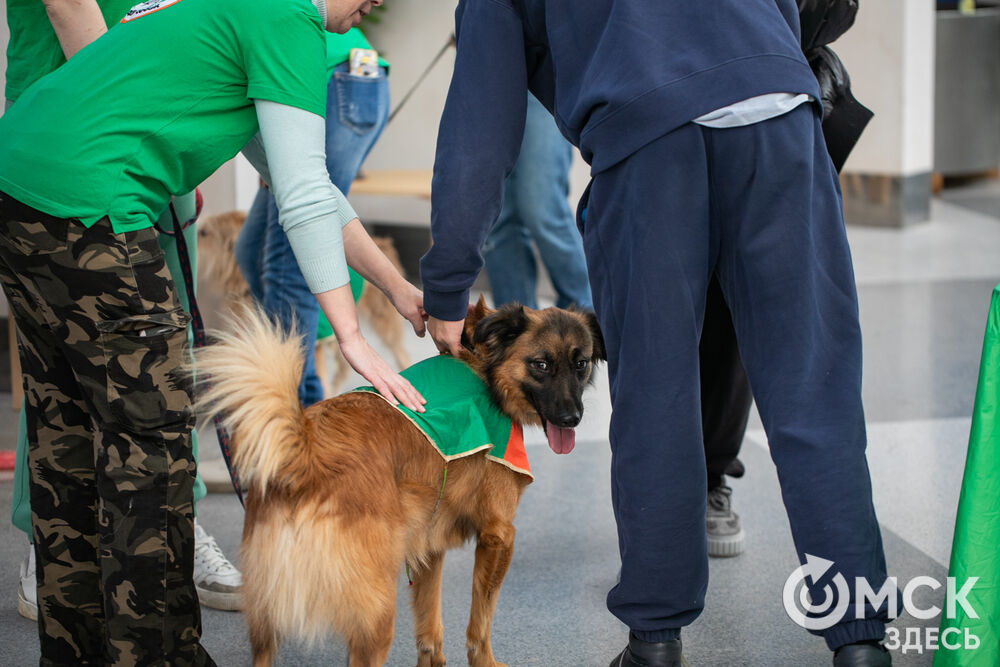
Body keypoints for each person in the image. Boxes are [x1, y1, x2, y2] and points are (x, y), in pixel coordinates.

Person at [420, 2, 896, 666]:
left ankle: (655, 640)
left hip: (649, 146)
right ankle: (862, 638)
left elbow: (480, 128)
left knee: (657, 395)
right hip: (779, 113)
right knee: (814, 391)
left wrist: (447, 284)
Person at [0, 0, 426, 662]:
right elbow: (308, 192)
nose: (379, 3)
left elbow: (304, 186)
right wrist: (351, 335)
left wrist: (395, 286)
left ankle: (72, 652)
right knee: (153, 444)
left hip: (18, 180)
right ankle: (161, 654)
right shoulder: (289, 19)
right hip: (90, 202)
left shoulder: (248, 8)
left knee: (65, 438)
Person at [3, 0, 242, 620]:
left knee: (166, 352)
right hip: (77, 137)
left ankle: (175, 537)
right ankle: (56, 547)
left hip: (154, 134)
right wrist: (132, 122)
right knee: (65, 368)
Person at [700, 0, 872, 561]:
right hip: (670, 118)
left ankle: (710, 475)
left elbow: (838, 8)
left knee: (782, 335)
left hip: (775, 113)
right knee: (668, 325)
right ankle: (669, 496)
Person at [235, 27, 390, 406]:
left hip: (330, 73)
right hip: (331, 73)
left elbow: (314, 208)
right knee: (252, 251)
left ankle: (295, 411)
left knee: (289, 269)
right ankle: (294, 384)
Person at [482, 93, 592, 311]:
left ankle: (587, 316)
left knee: (542, 209)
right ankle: (513, 327)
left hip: (542, 77)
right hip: (485, 78)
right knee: (497, 217)